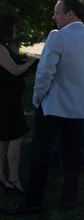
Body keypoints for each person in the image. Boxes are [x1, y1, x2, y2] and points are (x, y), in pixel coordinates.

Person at [6, 0, 84, 215]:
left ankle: (33, 201)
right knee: (72, 152)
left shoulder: (58, 36)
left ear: (70, 14)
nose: (54, 17)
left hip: (55, 106)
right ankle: (69, 198)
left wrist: (38, 97)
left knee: (40, 153)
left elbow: (45, 72)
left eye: (57, 12)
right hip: (80, 108)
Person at [0, 13, 37, 193]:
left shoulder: (4, 47)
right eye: (14, 27)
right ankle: (13, 178)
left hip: (7, 99)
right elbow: (14, 70)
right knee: (16, 136)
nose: (16, 30)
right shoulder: (0, 48)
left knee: (4, 139)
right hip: (7, 102)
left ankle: (1, 176)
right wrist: (29, 62)